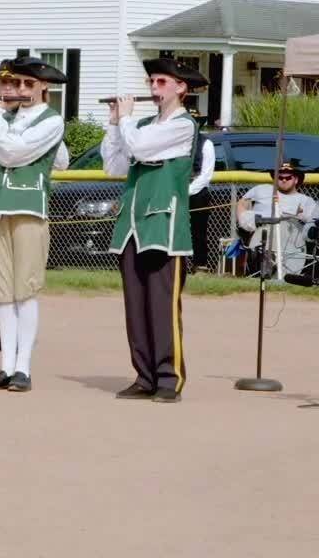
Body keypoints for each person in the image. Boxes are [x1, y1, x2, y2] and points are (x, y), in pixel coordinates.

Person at [100, 58, 207, 403]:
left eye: (162, 82)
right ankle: (144, 376)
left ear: (181, 88)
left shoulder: (183, 125)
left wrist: (128, 121)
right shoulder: (142, 125)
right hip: (133, 225)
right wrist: (114, 125)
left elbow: (142, 147)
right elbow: (114, 166)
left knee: (162, 307)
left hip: (164, 225)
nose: (154, 88)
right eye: (152, 82)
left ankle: (168, 378)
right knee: (136, 306)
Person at [0, 57, 66, 393]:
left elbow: (11, 153)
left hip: (29, 207)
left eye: (27, 84)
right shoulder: (0, 119)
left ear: (42, 87)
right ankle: (5, 366)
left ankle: (24, 368)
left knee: (25, 291)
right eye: (15, 84)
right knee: (4, 294)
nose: (19, 90)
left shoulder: (51, 121)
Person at [236, 162, 319, 276]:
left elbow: (313, 224)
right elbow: (242, 202)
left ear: (296, 179)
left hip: (292, 246)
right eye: (280, 177)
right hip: (260, 238)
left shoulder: (306, 201)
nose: (284, 180)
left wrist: (301, 215)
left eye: (288, 177)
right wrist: (243, 218)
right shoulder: (261, 189)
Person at [187, 134, 216, 273]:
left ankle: (200, 265)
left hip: (197, 192)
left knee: (199, 231)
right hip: (175, 189)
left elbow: (206, 175)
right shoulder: (175, 138)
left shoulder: (206, 143)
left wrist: (187, 190)